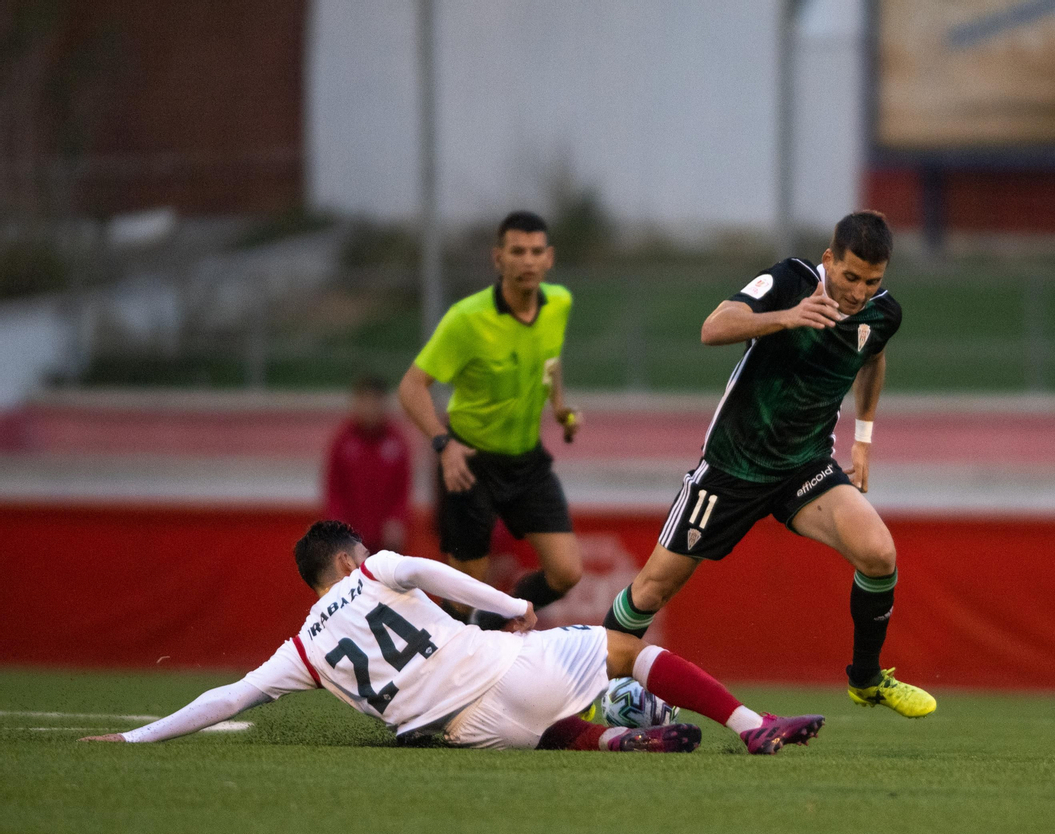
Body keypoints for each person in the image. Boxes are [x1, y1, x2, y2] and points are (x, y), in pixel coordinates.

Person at [81, 520, 826, 754]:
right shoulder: (376, 570)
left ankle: (611, 741)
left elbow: (227, 696)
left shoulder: (300, 649)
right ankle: (752, 726)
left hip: (468, 733)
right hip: (504, 670)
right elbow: (433, 570)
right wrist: (510, 602)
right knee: (626, 649)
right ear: (348, 560)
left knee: (546, 720)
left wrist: (136, 740)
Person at [601, 210, 935, 718]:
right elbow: (712, 328)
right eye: (850, 277)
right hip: (733, 465)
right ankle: (579, 689)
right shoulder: (790, 280)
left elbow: (873, 357)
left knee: (879, 554)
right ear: (829, 260)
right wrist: (787, 316)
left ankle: (865, 680)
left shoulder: (883, 314)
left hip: (805, 466)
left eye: (872, 281)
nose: (859, 291)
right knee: (652, 588)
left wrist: (863, 439)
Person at [398, 211, 584, 621]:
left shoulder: (560, 304)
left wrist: (559, 407)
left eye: (537, 251)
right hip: (470, 462)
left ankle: (497, 621)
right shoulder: (467, 319)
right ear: (498, 259)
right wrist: (442, 445)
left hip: (527, 462)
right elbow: (410, 388)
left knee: (567, 572)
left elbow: (550, 359)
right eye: (517, 251)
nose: (528, 261)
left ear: (549, 258)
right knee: (463, 595)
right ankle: (440, 666)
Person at [323, 375, 411, 553]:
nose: (370, 408)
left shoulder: (397, 442)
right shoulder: (342, 441)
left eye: (375, 402)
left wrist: (397, 520)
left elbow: (402, 490)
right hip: (350, 540)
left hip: (387, 542)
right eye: (364, 402)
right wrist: (337, 527)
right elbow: (334, 490)